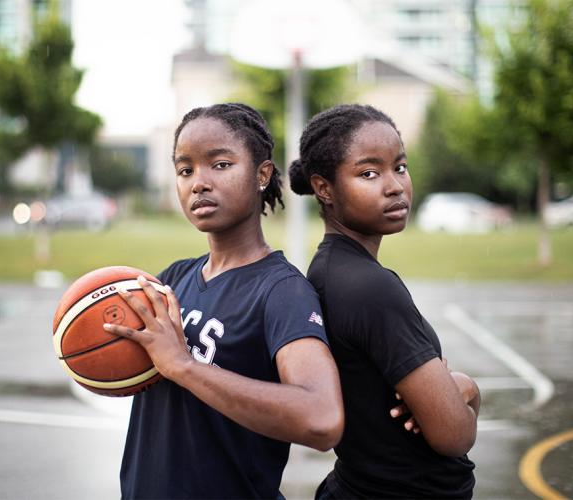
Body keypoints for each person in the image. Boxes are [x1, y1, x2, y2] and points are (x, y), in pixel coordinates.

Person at [103, 103, 344, 499]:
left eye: (220, 164)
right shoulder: (171, 280)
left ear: (262, 174)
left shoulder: (281, 291)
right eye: (186, 170)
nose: (198, 182)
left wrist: (183, 365)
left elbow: (322, 418)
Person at [289, 104, 480, 499]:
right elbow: (455, 435)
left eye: (401, 166)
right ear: (324, 188)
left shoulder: (328, 269)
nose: (395, 185)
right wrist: (466, 387)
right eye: (369, 173)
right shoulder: (371, 288)